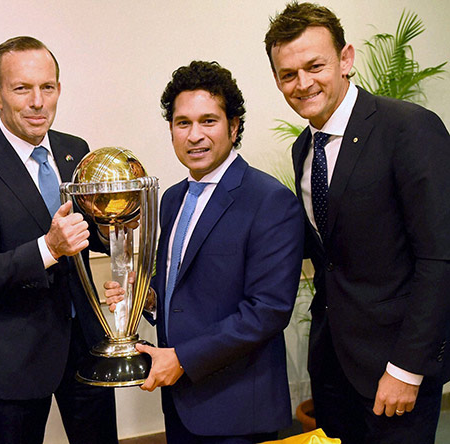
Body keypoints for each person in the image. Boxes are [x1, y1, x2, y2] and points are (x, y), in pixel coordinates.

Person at [265, 3, 450, 443]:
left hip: (396, 369)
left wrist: (407, 368)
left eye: (315, 66)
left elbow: (439, 258)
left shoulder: (409, 129)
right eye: (288, 74)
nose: (302, 83)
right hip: (333, 368)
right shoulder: (304, 149)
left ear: (346, 59)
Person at [106, 60, 304, 444]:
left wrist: (181, 359)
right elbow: (187, 292)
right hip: (180, 405)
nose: (194, 135)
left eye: (208, 121)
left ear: (234, 126)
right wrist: (146, 299)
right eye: (183, 123)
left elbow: (267, 310)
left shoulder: (269, 200)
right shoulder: (173, 198)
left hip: (237, 411)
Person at [0, 36, 118, 444]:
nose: (38, 101)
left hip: (87, 345)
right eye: (22, 88)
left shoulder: (77, 151)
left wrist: (117, 230)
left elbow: (91, 234)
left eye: (48, 87)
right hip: (15, 357)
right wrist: (49, 248)